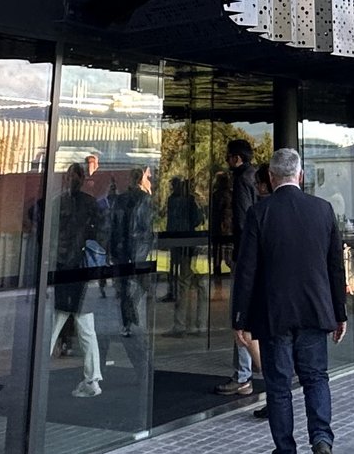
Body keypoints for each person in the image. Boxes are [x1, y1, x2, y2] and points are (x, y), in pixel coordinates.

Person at [232, 146, 348, 454]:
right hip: (314, 311)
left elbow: (246, 271)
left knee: (280, 389)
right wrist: (339, 313)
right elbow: (335, 268)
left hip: (274, 315)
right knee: (316, 379)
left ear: (269, 177)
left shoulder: (259, 213)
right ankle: (322, 442)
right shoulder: (323, 210)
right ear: (300, 175)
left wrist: (240, 317)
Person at [44, 160, 106, 397]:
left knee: (57, 323)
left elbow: (49, 235)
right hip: (81, 271)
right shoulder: (90, 204)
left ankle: (40, 371)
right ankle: (92, 378)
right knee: (84, 325)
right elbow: (100, 234)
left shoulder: (58, 204)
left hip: (65, 270)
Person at [213, 138, 261, 397]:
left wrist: (239, 255)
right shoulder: (257, 178)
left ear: (237, 158)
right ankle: (249, 373)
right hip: (259, 256)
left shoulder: (242, 181)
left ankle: (243, 375)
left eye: (229, 156)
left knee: (240, 317)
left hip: (246, 258)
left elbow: (243, 220)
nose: (227, 161)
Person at [109, 163, 158, 392]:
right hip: (128, 257)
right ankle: (131, 324)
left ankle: (132, 325)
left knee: (131, 298)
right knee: (128, 298)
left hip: (130, 257)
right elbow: (129, 229)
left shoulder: (134, 200)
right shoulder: (132, 200)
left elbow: (139, 231)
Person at [165, 173, 204, 332]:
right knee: (188, 280)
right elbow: (197, 219)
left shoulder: (175, 200)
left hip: (180, 244)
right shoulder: (188, 200)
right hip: (186, 243)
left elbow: (171, 222)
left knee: (183, 281)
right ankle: (196, 324)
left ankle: (181, 324)